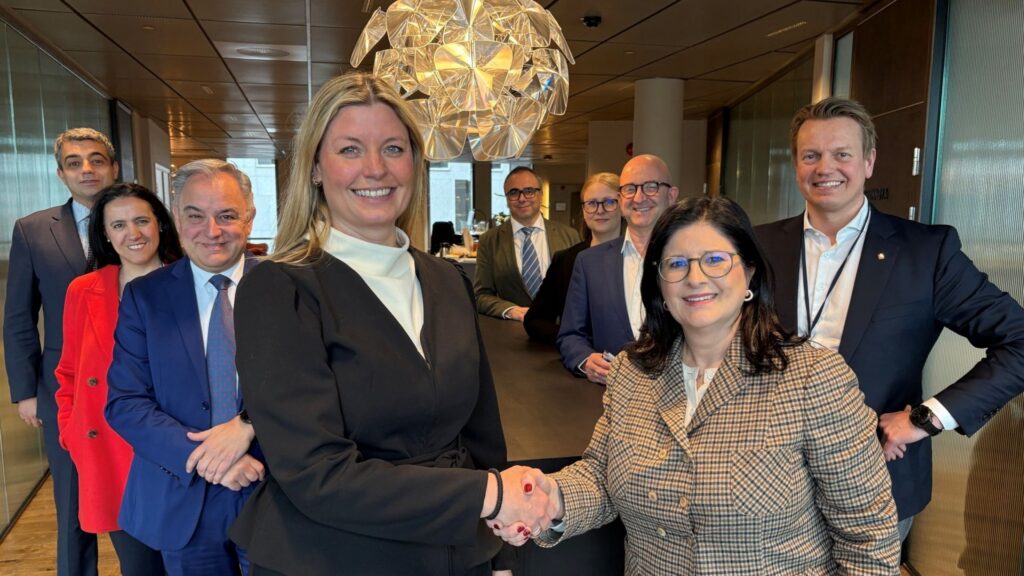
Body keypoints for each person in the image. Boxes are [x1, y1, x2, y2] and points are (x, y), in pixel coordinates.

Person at [228, 71, 555, 576]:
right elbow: (316, 474)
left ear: (414, 163)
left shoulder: (448, 280)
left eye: (393, 149)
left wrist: (500, 551)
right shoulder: (279, 288)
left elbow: (482, 438)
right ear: (314, 168)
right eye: (350, 149)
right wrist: (488, 496)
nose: (376, 169)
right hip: (334, 557)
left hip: (456, 551)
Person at [500, 197, 901, 574]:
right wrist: (552, 499)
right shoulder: (631, 373)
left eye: (715, 260)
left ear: (749, 271)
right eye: (676, 264)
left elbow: (869, 536)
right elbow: (602, 476)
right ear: (659, 283)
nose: (695, 278)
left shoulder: (813, 378)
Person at [754, 97, 1024, 540]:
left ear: (869, 161)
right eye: (811, 155)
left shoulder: (925, 253)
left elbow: (1018, 340)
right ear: (796, 164)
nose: (825, 167)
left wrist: (927, 418)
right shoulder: (755, 247)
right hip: (763, 481)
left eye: (842, 154)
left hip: (876, 480)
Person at [105, 159, 264, 575]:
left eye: (227, 215)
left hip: (273, 490)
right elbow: (125, 403)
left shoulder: (291, 288)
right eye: (195, 216)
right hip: (184, 494)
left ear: (249, 218)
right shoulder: (145, 297)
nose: (212, 231)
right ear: (176, 218)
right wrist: (211, 458)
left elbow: (315, 387)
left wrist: (248, 424)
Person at [4, 127, 119, 576]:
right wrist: (26, 391)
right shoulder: (33, 230)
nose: (86, 169)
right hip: (63, 386)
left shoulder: (138, 220)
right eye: (74, 163)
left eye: (96, 159)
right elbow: (19, 317)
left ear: (113, 167)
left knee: (137, 493)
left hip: (133, 381)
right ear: (61, 173)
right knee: (71, 499)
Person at [55, 183, 180, 575]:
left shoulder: (191, 282)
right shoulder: (83, 290)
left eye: (142, 220)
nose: (133, 233)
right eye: (119, 225)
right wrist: (71, 433)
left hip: (179, 450)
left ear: (160, 224)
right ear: (106, 234)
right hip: (109, 454)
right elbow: (69, 372)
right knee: (138, 566)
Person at [557, 154, 679, 384]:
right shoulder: (588, 262)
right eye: (630, 189)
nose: (639, 197)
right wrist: (585, 359)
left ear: (671, 195)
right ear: (621, 199)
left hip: (678, 394)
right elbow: (570, 335)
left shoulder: (692, 261)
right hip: (608, 396)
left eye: (651, 187)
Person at [524, 172, 623, 344]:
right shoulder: (565, 260)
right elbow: (535, 320)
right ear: (584, 210)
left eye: (609, 202)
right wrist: (574, 344)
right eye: (591, 203)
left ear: (623, 207)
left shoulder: (641, 257)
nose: (600, 210)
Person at [475, 166, 580, 321]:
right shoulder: (489, 241)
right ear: (507, 199)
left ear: (540, 195)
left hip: (561, 328)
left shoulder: (569, 236)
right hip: (512, 330)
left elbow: (580, 288)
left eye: (529, 191)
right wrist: (510, 310)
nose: (522, 198)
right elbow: (480, 296)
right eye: (514, 192)